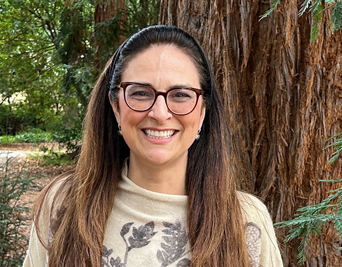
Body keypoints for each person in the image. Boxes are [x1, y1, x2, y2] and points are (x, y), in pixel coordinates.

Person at [23, 25, 283, 267]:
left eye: (181, 95)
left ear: (202, 112)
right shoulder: (62, 205)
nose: (160, 113)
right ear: (116, 107)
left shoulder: (246, 221)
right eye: (140, 93)